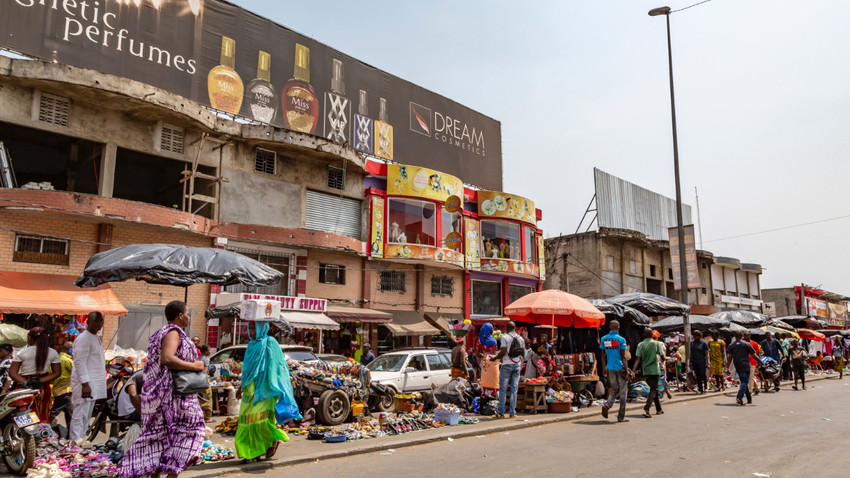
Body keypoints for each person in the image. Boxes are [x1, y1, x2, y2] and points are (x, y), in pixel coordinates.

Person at [119, 300, 206, 478]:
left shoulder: (161, 333)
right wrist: (194, 366)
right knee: (191, 435)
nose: (189, 317)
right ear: (180, 316)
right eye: (188, 314)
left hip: (164, 396)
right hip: (175, 398)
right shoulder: (173, 332)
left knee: (162, 441)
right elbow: (167, 358)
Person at [235, 319, 300, 461]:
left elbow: (278, 366)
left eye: (254, 329)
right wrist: (241, 387)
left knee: (261, 422)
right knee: (246, 422)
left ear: (262, 328)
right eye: (250, 329)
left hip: (265, 390)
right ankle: (249, 451)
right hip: (249, 389)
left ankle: (266, 445)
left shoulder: (270, 342)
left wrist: (278, 386)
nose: (251, 332)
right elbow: (246, 371)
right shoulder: (251, 346)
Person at [4, 327, 61, 421]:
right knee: (42, 414)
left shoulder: (22, 352)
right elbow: (57, 373)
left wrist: (26, 382)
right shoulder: (53, 352)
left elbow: (12, 373)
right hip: (42, 387)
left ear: (30, 338)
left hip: (22, 387)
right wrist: (39, 381)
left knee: (20, 415)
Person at [69, 311, 107, 442]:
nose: (98, 323)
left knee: (87, 415)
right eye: (95, 320)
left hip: (93, 384)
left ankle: (81, 441)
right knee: (80, 414)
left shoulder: (94, 337)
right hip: (85, 384)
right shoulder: (84, 338)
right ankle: (75, 443)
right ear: (88, 322)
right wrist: (85, 384)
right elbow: (79, 361)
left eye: (100, 321)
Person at [491, 321, 524, 419]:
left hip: (506, 365)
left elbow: (503, 351)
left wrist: (495, 358)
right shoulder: (521, 338)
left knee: (503, 390)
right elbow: (523, 352)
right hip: (517, 365)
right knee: (514, 389)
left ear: (506, 328)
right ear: (515, 328)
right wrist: (520, 361)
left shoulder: (505, 337)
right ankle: (512, 413)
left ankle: (501, 413)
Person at [600, 320, 630, 423]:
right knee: (623, 392)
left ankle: (607, 405)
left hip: (610, 367)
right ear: (619, 327)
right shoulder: (621, 339)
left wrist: (604, 367)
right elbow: (623, 357)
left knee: (614, 389)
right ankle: (621, 416)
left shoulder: (604, 339)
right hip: (620, 367)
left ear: (609, 327)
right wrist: (627, 371)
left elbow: (602, 355)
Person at [632, 328, 665, 417]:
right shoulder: (656, 343)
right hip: (654, 368)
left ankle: (659, 409)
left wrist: (633, 370)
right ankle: (647, 406)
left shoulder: (640, 345)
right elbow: (662, 355)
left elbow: (638, 359)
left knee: (654, 389)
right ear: (651, 335)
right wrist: (663, 361)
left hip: (646, 370)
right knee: (654, 389)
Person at [726, 331, 760, 406]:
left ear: (735, 336)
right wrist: (760, 362)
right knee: (745, 382)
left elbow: (730, 358)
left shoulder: (731, 345)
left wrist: (727, 367)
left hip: (737, 365)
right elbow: (754, 355)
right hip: (745, 365)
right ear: (742, 336)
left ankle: (749, 398)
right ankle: (739, 397)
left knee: (744, 382)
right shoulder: (746, 344)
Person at [51, 342, 74, 426]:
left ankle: (71, 432)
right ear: (70, 349)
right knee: (54, 412)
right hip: (64, 390)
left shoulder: (57, 358)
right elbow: (77, 372)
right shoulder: (66, 360)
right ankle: (45, 426)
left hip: (59, 389)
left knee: (70, 412)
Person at [198, 345, 214, 423]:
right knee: (208, 398)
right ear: (206, 351)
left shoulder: (197, 358)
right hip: (203, 380)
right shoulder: (206, 359)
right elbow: (204, 371)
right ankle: (208, 418)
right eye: (209, 350)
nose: (210, 351)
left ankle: (200, 416)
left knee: (199, 398)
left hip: (196, 380)